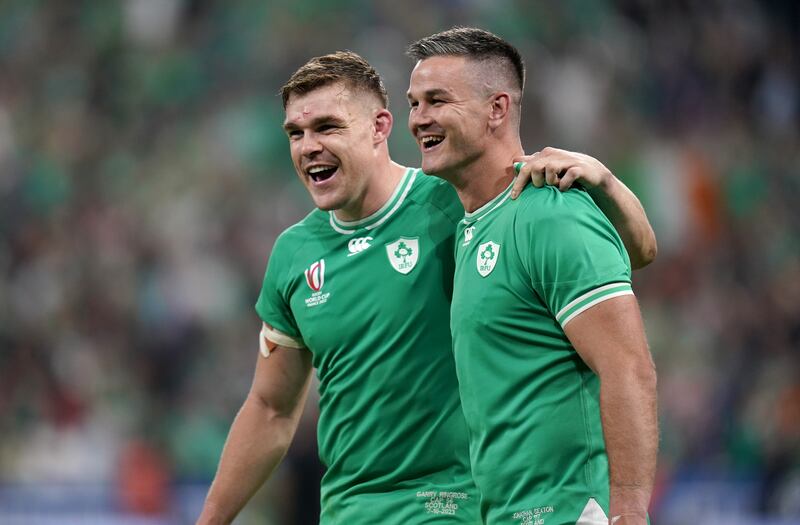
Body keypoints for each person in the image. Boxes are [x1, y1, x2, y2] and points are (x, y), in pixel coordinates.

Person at [197, 50, 655, 524]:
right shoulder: (293, 254)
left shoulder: (456, 197)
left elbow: (632, 251)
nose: (308, 146)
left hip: (453, 505)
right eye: (296, 133)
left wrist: (604, 181)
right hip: (347, 513)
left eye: (328, 128)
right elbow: (271, 408)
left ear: (379, 127)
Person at [406, 28, 658, 525]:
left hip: (567, 511)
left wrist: (628, 511)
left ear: (498, 109)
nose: (418, 119)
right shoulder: (467, 223)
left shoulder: (549, 213)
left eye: (436, 100)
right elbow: (642, 251)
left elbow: (629, 367)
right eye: (414, 103)